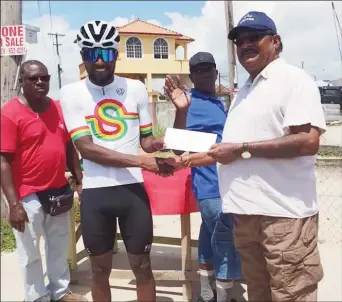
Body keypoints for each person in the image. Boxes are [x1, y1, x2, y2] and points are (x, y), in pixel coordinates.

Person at [207, 11, 325, 301]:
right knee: (258, 292)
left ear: (275, 41)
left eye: (253, 37)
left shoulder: (293, 80)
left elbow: (308, 141)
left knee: (292, 293)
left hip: (283, 217)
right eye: (239, 40)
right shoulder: (244, 89)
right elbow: (234, 149)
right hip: (246, 214)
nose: (245, 44)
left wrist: (241, 148)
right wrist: (185, 160)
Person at [59, 20, 172, 302]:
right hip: (97, 194)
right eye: (92, 53)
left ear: (116, 55)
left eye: (106, 53)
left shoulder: (136, 89)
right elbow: (88, 148)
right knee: (99, 270)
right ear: (83, 56)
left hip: (132, 192)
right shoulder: (71, 93)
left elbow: (147, 142)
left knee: (143, 266)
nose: (99, 61)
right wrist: (143, 162)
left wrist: (175, 122)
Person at [0, 60, 86, 302]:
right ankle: (36, 297)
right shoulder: (10, 113)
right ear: (21, 83)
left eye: (44, 78)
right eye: (33, 79)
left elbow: (70, 147)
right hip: (27, 195)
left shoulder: (58, 108)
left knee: (59, 247)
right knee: (29, 253)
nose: (40, 82)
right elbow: (3, 161)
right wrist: (13, 204)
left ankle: (59, 292)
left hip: (58, 189)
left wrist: (79, 180)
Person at [164, 52, 242, 302]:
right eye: (200, 70)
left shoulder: (217, 101)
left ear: (216, 72)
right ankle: (222, 295)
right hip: (210, 184)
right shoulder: (189, 101)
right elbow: (177, 146)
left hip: (226, 182)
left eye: (210, 69)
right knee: (224, 240)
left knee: (210, 238)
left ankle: (207, 294)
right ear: (192, 76)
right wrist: (181, 110)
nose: (206, 74)